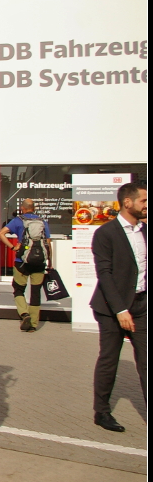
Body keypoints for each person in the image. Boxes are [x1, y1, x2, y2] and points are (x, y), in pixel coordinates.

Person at [90, 182, 147, 433]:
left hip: (142, 304)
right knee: (109, 360)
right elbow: (105, 274)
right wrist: (120, 310)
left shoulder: (145, 231)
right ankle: (101, 412)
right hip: (111, 307)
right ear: (128, 203)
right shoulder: (106, 233)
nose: (146, 205)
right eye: (144, 201)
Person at [0, 198, 50, 332]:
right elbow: (48, 243)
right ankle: (33, 324)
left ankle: (24, 313)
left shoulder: (18, 221)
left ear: (23, 208)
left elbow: (1, 234)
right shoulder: (42, 222)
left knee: (18, 289)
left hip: (22, 261)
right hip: (39, 262)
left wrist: (12, 247)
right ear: (34, 208)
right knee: (36, 292)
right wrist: (49, 262)